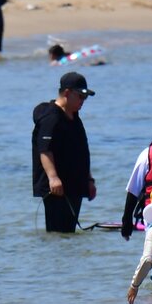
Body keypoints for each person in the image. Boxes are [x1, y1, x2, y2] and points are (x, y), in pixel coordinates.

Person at [31, 72, 96, 233]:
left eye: (85, 98)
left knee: (69, 234)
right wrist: (53, 178)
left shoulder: (75, 118)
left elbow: (82, 152)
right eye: (80, 96)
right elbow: (44, 150)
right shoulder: (51, 117)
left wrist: (89, 180)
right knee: (57, 233)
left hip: (75, 185)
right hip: (56, 189)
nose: (83, 101)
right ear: (67, 93)